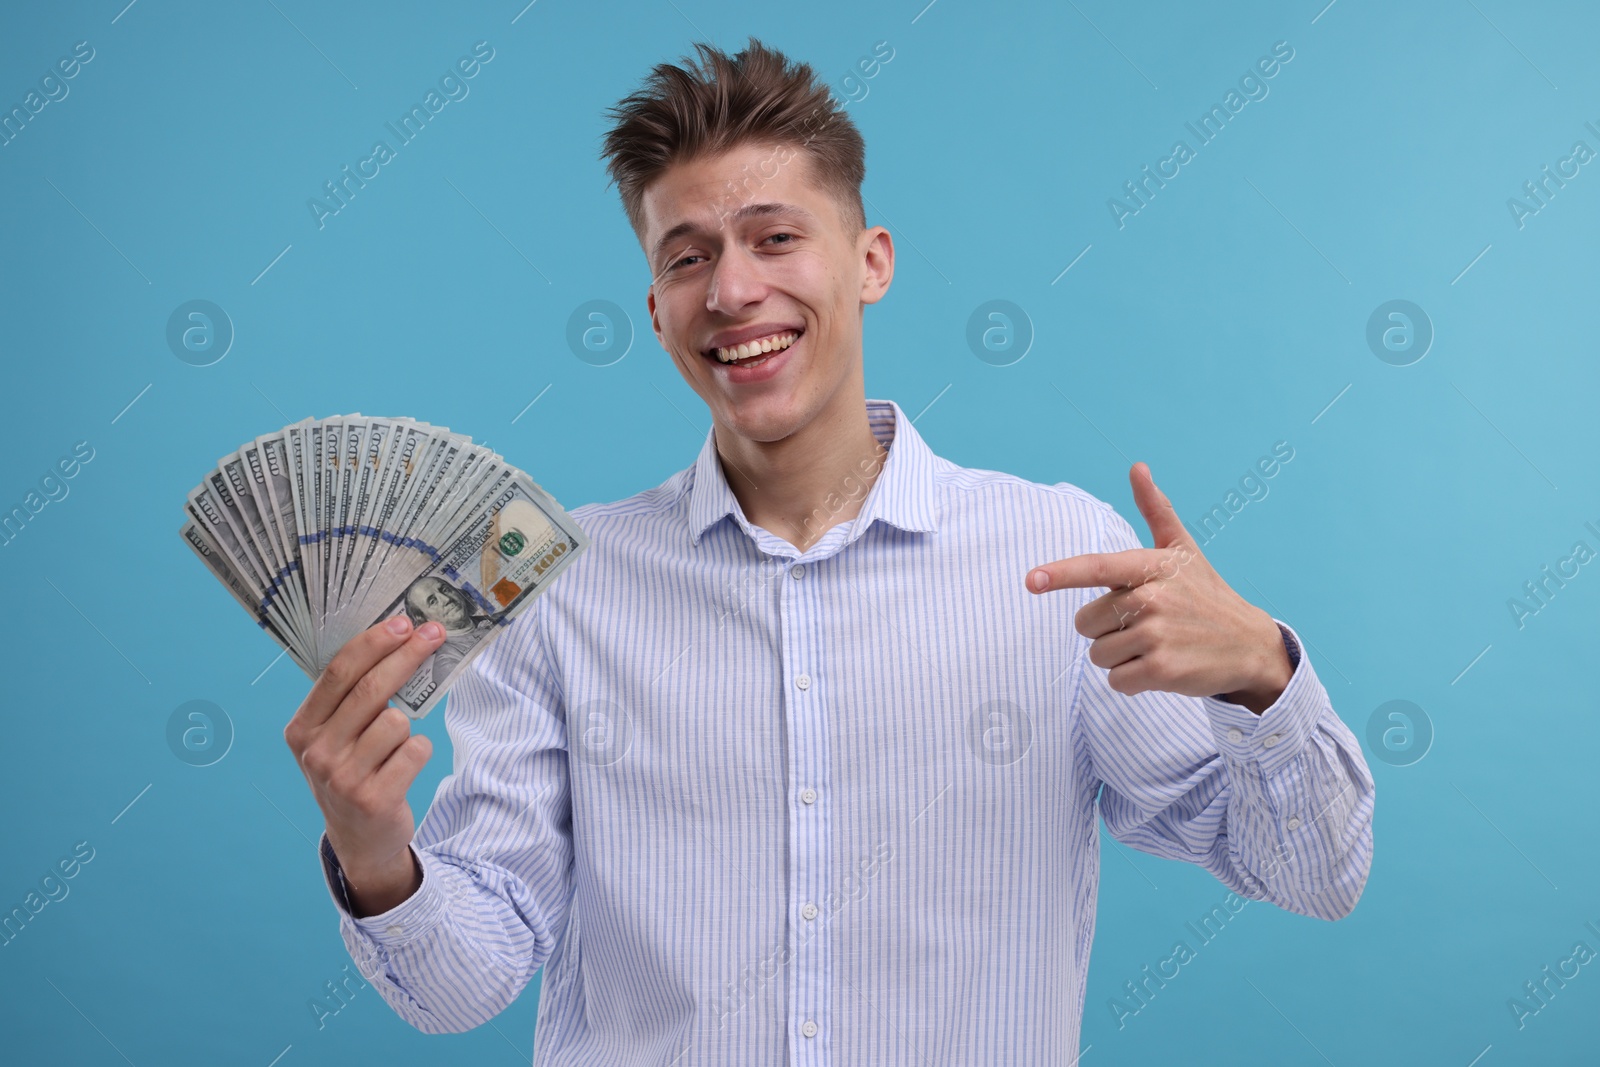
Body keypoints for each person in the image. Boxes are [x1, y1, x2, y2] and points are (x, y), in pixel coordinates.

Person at [283, 37, 1374, 1064]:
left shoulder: (1061, 558)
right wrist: (378, 855)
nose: (731, 290)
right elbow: (460, 986)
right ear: (658, 312)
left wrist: (1259, 675)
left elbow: (1317, 875)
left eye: (773, 237)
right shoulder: (549, 585)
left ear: (870, 261)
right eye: (687, 256)